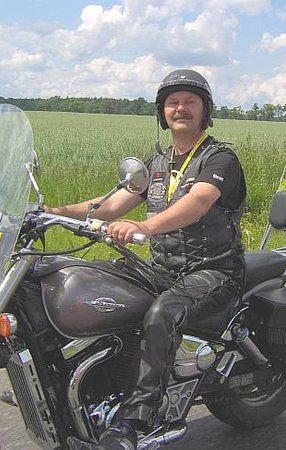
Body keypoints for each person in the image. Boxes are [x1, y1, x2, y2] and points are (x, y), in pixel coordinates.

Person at [47, 69, 246, 450]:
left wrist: (146, 226)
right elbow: (109, 205)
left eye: (190, 101)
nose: (180, 108)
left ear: (205, 110)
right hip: (161, 270)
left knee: (162, 314)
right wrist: (51, 213)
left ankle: (134, 421)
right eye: (172, 102)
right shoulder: (158, 163)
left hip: (213, 270)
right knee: (87, 284)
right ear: (162, 112)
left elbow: (198, 202)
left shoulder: (219, 158)